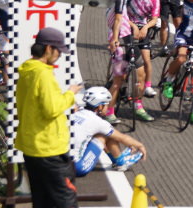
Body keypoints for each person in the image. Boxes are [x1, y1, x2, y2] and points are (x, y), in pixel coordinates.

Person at [15, 27, 82, 208]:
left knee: (42, 200)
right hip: (49, 148)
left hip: (31, 147)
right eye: (58, 50)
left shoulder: (27, 70)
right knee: (64, 201)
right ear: (48, 49)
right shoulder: (43, 74)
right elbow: (51, 109)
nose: (59, 54)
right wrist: (70, 94)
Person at [71, 87, 146, 175]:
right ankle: (121, 163)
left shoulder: (76, 111)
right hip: (77, 168)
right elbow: (122, 138)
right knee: (105, 135)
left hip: (58, 164)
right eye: (107, 104)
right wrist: (140, 145)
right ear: (99, 106)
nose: (109, 107)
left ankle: (117, 160)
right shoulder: (98, 122)